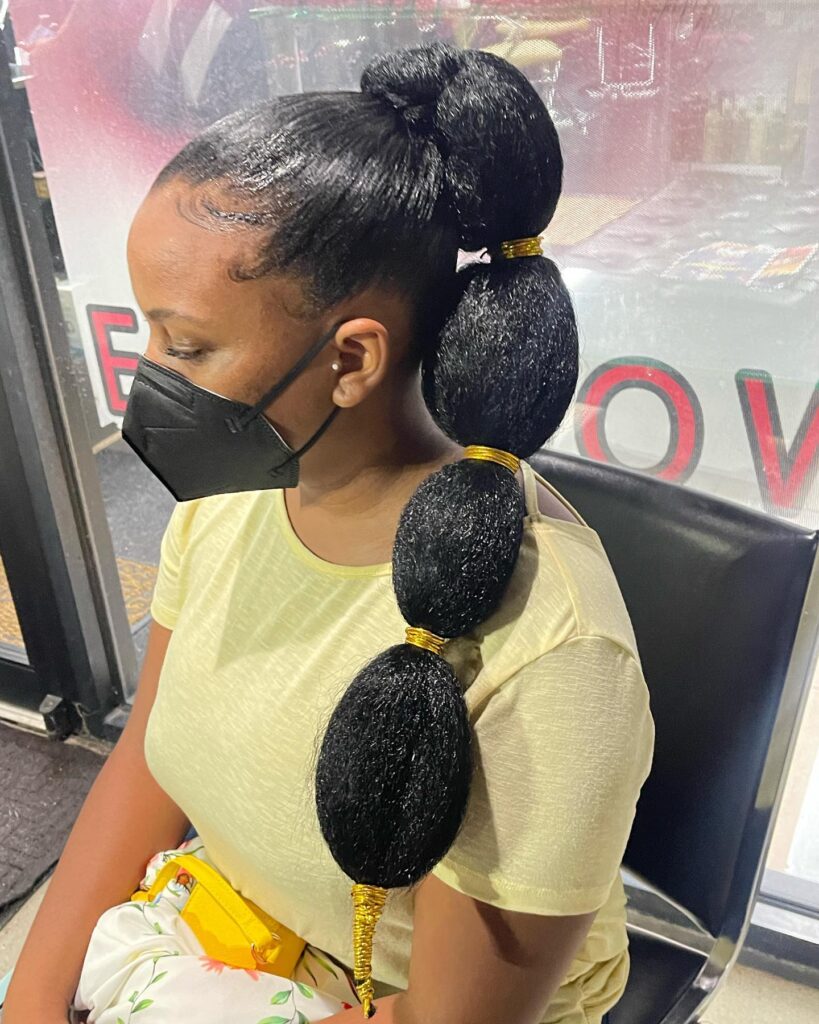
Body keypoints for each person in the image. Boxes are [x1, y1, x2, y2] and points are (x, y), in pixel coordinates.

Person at [4, 41, 654, 1024]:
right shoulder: (228, 501)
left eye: (187, 344)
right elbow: (147, 755)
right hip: (235, 924)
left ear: (351, 360)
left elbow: (448, 1015)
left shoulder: (551, 654)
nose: (151, 378)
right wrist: (30, 999)